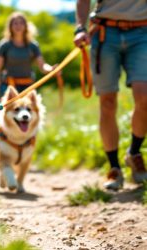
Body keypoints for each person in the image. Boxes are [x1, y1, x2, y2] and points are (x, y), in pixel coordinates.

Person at [74, 0, 147, 190]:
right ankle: (114, 167)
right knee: (107, 102)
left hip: (142, 33)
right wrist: (80, 28)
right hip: (105, 33)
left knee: (144, 98)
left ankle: (134, 153)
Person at [0, 12, 60, 101]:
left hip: (28, 86)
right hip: (9, 87)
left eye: (21, 23)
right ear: (10, 26)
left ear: (26, 26)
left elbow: (42, 66)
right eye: (15, 23)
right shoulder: (4, 45)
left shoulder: (33, 45)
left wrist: (51, 69)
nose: (18, 26)